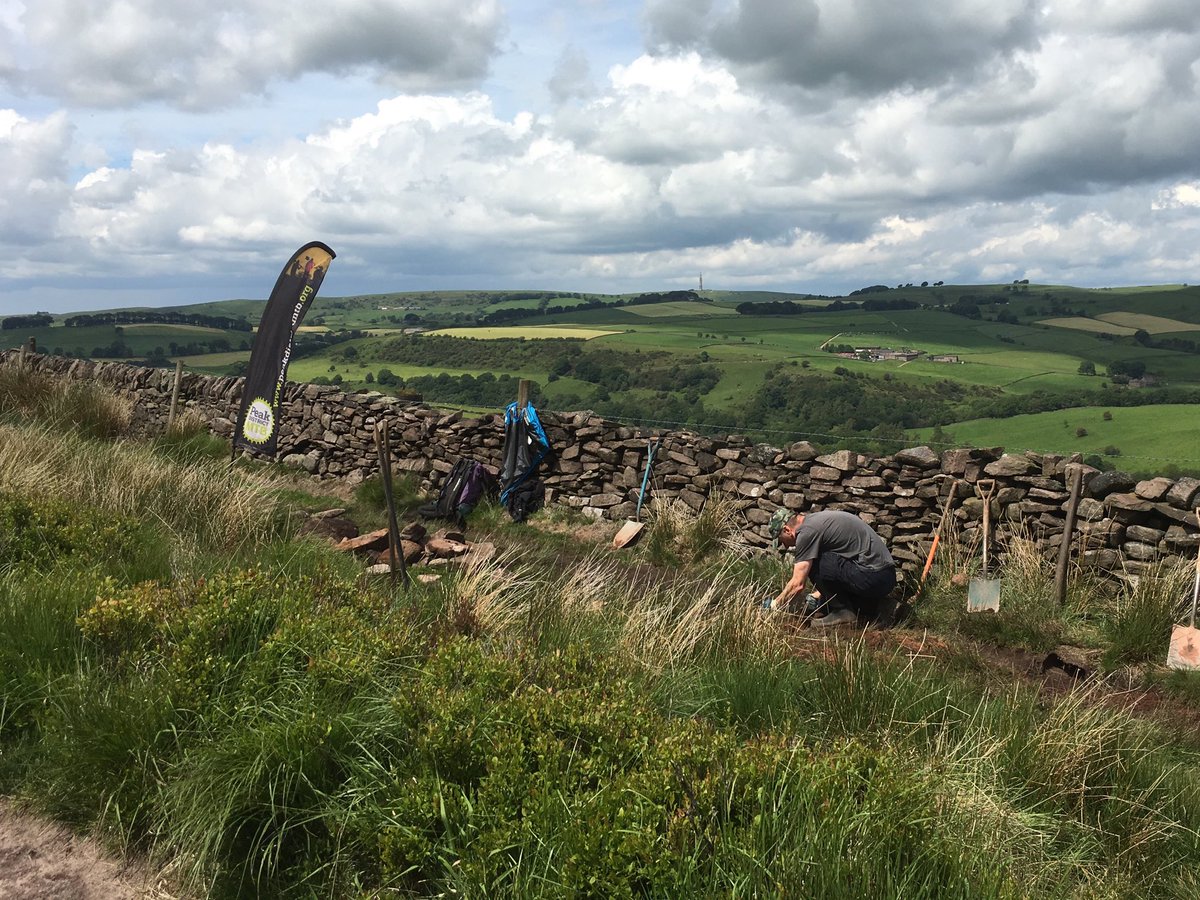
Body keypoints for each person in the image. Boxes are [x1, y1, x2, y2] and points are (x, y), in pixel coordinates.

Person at [767, 508, 897, 627]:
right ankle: (878, 607)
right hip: (884, 577)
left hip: (874, 577)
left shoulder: (806, 532)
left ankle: (842, 611)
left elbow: (798, 584)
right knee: (821, 568)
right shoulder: (817, 521)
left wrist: (775, 605)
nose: (784, 546)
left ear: (787, 530)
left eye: (781, 540)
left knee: (815, 561)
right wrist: (818, 595)